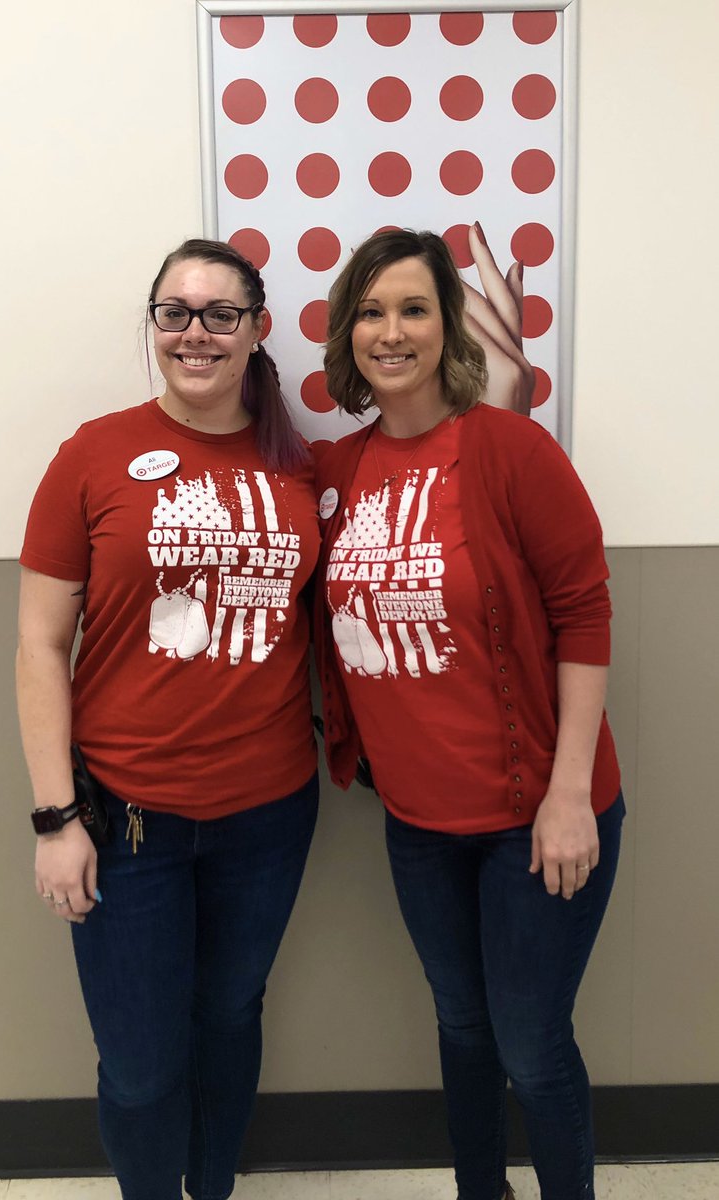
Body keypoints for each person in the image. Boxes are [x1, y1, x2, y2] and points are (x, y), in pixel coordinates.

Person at [314, 226, 623, 1200]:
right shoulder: (336, 472)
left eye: (413, 308)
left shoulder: (509, 449)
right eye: (370, 311)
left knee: (531, 1046)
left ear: (448, 327)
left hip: (539, 813)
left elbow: (583, 615)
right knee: (461, 1028)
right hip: (418, 821)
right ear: (346, 333)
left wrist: (569, 796)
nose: (390, 331)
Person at [16, 238, 320, 1200]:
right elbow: (37, 649)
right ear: (152, 327)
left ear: (258, 330)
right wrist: (57, 819)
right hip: (127, 816)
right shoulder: (92, 454)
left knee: (230, 1018)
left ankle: (214, 1189)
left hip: (269, 812)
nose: (195, 333)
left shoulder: (301, 469)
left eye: (220, 314)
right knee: (143, 1061)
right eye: (173, 313)